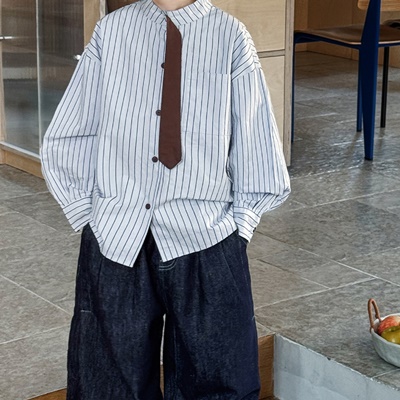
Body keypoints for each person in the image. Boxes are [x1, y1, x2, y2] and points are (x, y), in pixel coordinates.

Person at [40, 0, 291, 398]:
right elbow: (72, 129)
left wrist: (239, 227)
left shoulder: (229, 36)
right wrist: (88, 215)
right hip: (115, 237)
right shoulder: (112, 31)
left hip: (207, 239)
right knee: (106, 388)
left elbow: (255, 138)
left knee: (220, 383)